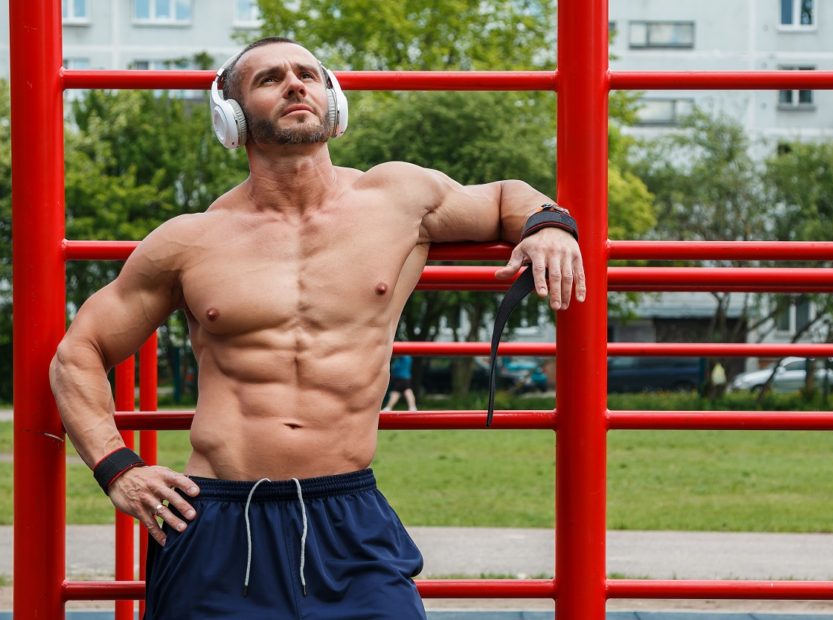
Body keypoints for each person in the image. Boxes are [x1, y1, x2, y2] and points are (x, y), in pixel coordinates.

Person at [48, 37, 585, 619]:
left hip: (346, 517)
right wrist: (116, 468)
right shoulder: (189, 239)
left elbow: (505, 196)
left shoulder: (398, 198)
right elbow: (79, 352)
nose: (296, 84)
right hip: (221, 519)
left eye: (308, 73)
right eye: (270, 78)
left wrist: (549, 225)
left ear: (333, 101)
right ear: (231, 116)